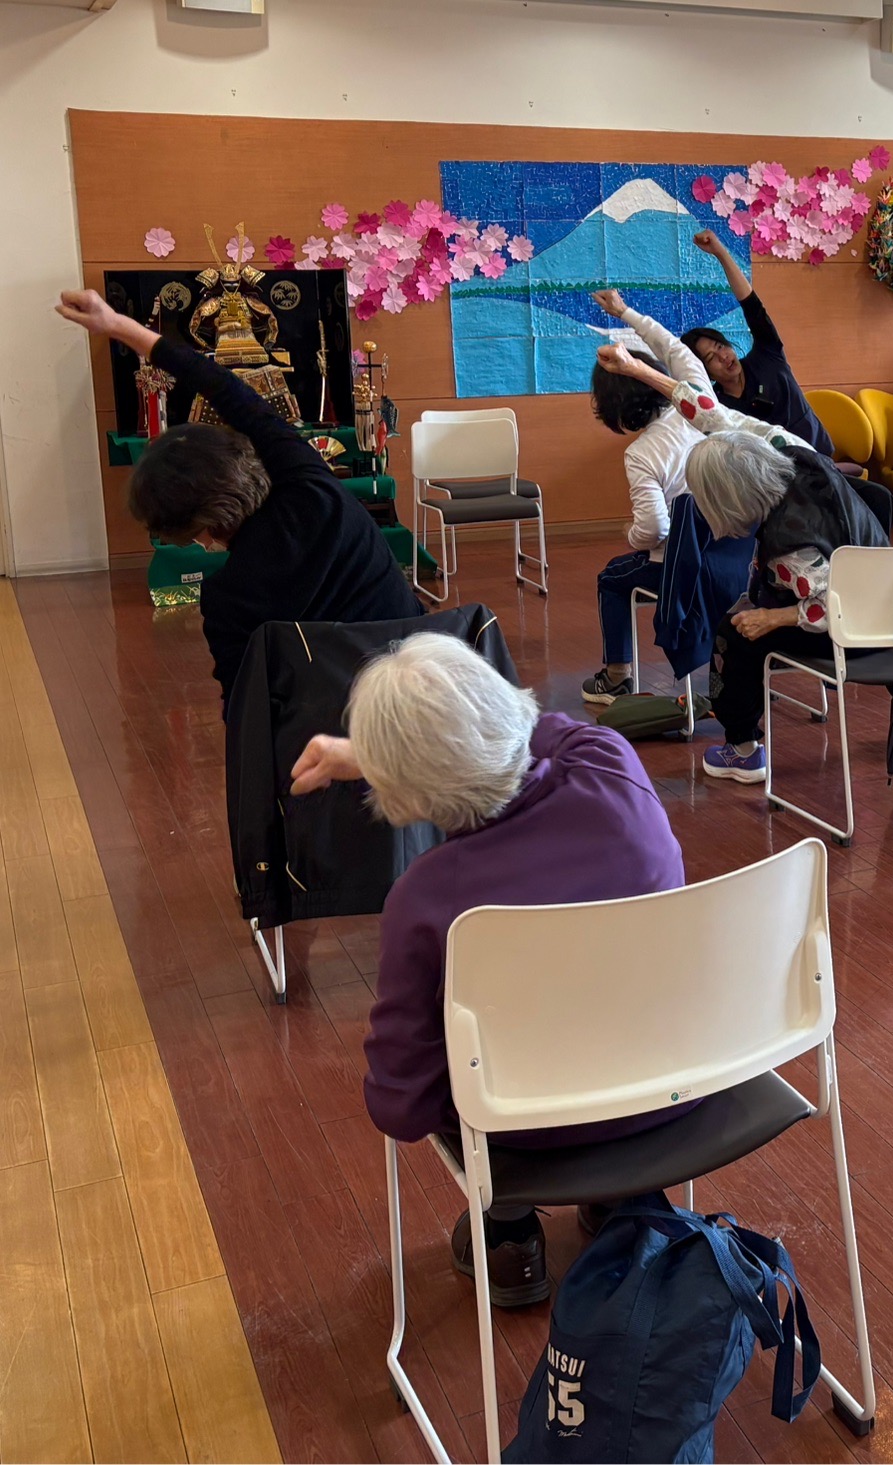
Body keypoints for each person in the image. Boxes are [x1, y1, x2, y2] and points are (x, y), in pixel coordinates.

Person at [290, 634, 689, 1306]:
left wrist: (389, 758)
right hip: (676, 1088)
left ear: (404, 796)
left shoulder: (427, 898)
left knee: (464, 1053)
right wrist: (403, 747)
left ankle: (509, 1234)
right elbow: (541, 728)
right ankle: (628, 1202)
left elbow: (400, 1104)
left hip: (530, 1132)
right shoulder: (611, 763)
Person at [53, 289, 419, 711]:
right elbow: (227, 389)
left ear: (200, 525)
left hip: (345, 724)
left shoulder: (229, 598)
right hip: (429, 680)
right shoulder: (311, 482)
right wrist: (119, 325)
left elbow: (247, 713)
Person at [577, 409, 885, 784]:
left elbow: (832, 607)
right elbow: (733, 420)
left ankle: (743, 750)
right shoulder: (800, 460)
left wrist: (773, 618)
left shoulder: (790, 552)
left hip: (855, 631)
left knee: (733, 633)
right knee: (748, 609)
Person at [581, 288, 804, 705]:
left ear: (614, 409)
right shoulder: (701, 399)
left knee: (612, 578)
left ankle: (616, 678)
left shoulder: (641, 454)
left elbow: (654, 529)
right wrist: (625, 311)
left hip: (686, 578)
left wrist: (629, 534)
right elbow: (674, 348)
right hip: (743, 565)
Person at [680, 229, 836, 459]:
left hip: (818, 457)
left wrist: (720, 252)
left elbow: (752, 306)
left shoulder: (767, 354)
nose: (723, 356)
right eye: (712, 358)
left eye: (720, 346)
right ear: (706, 372)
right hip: (772, 475)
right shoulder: (718, 406)